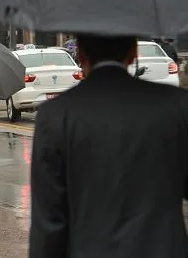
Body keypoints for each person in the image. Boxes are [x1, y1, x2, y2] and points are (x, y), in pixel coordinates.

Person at [30, 35, 188, 258]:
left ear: (81, 54)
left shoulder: (55, 115)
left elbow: (48, 220)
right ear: (134, 52)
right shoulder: (177, 105)